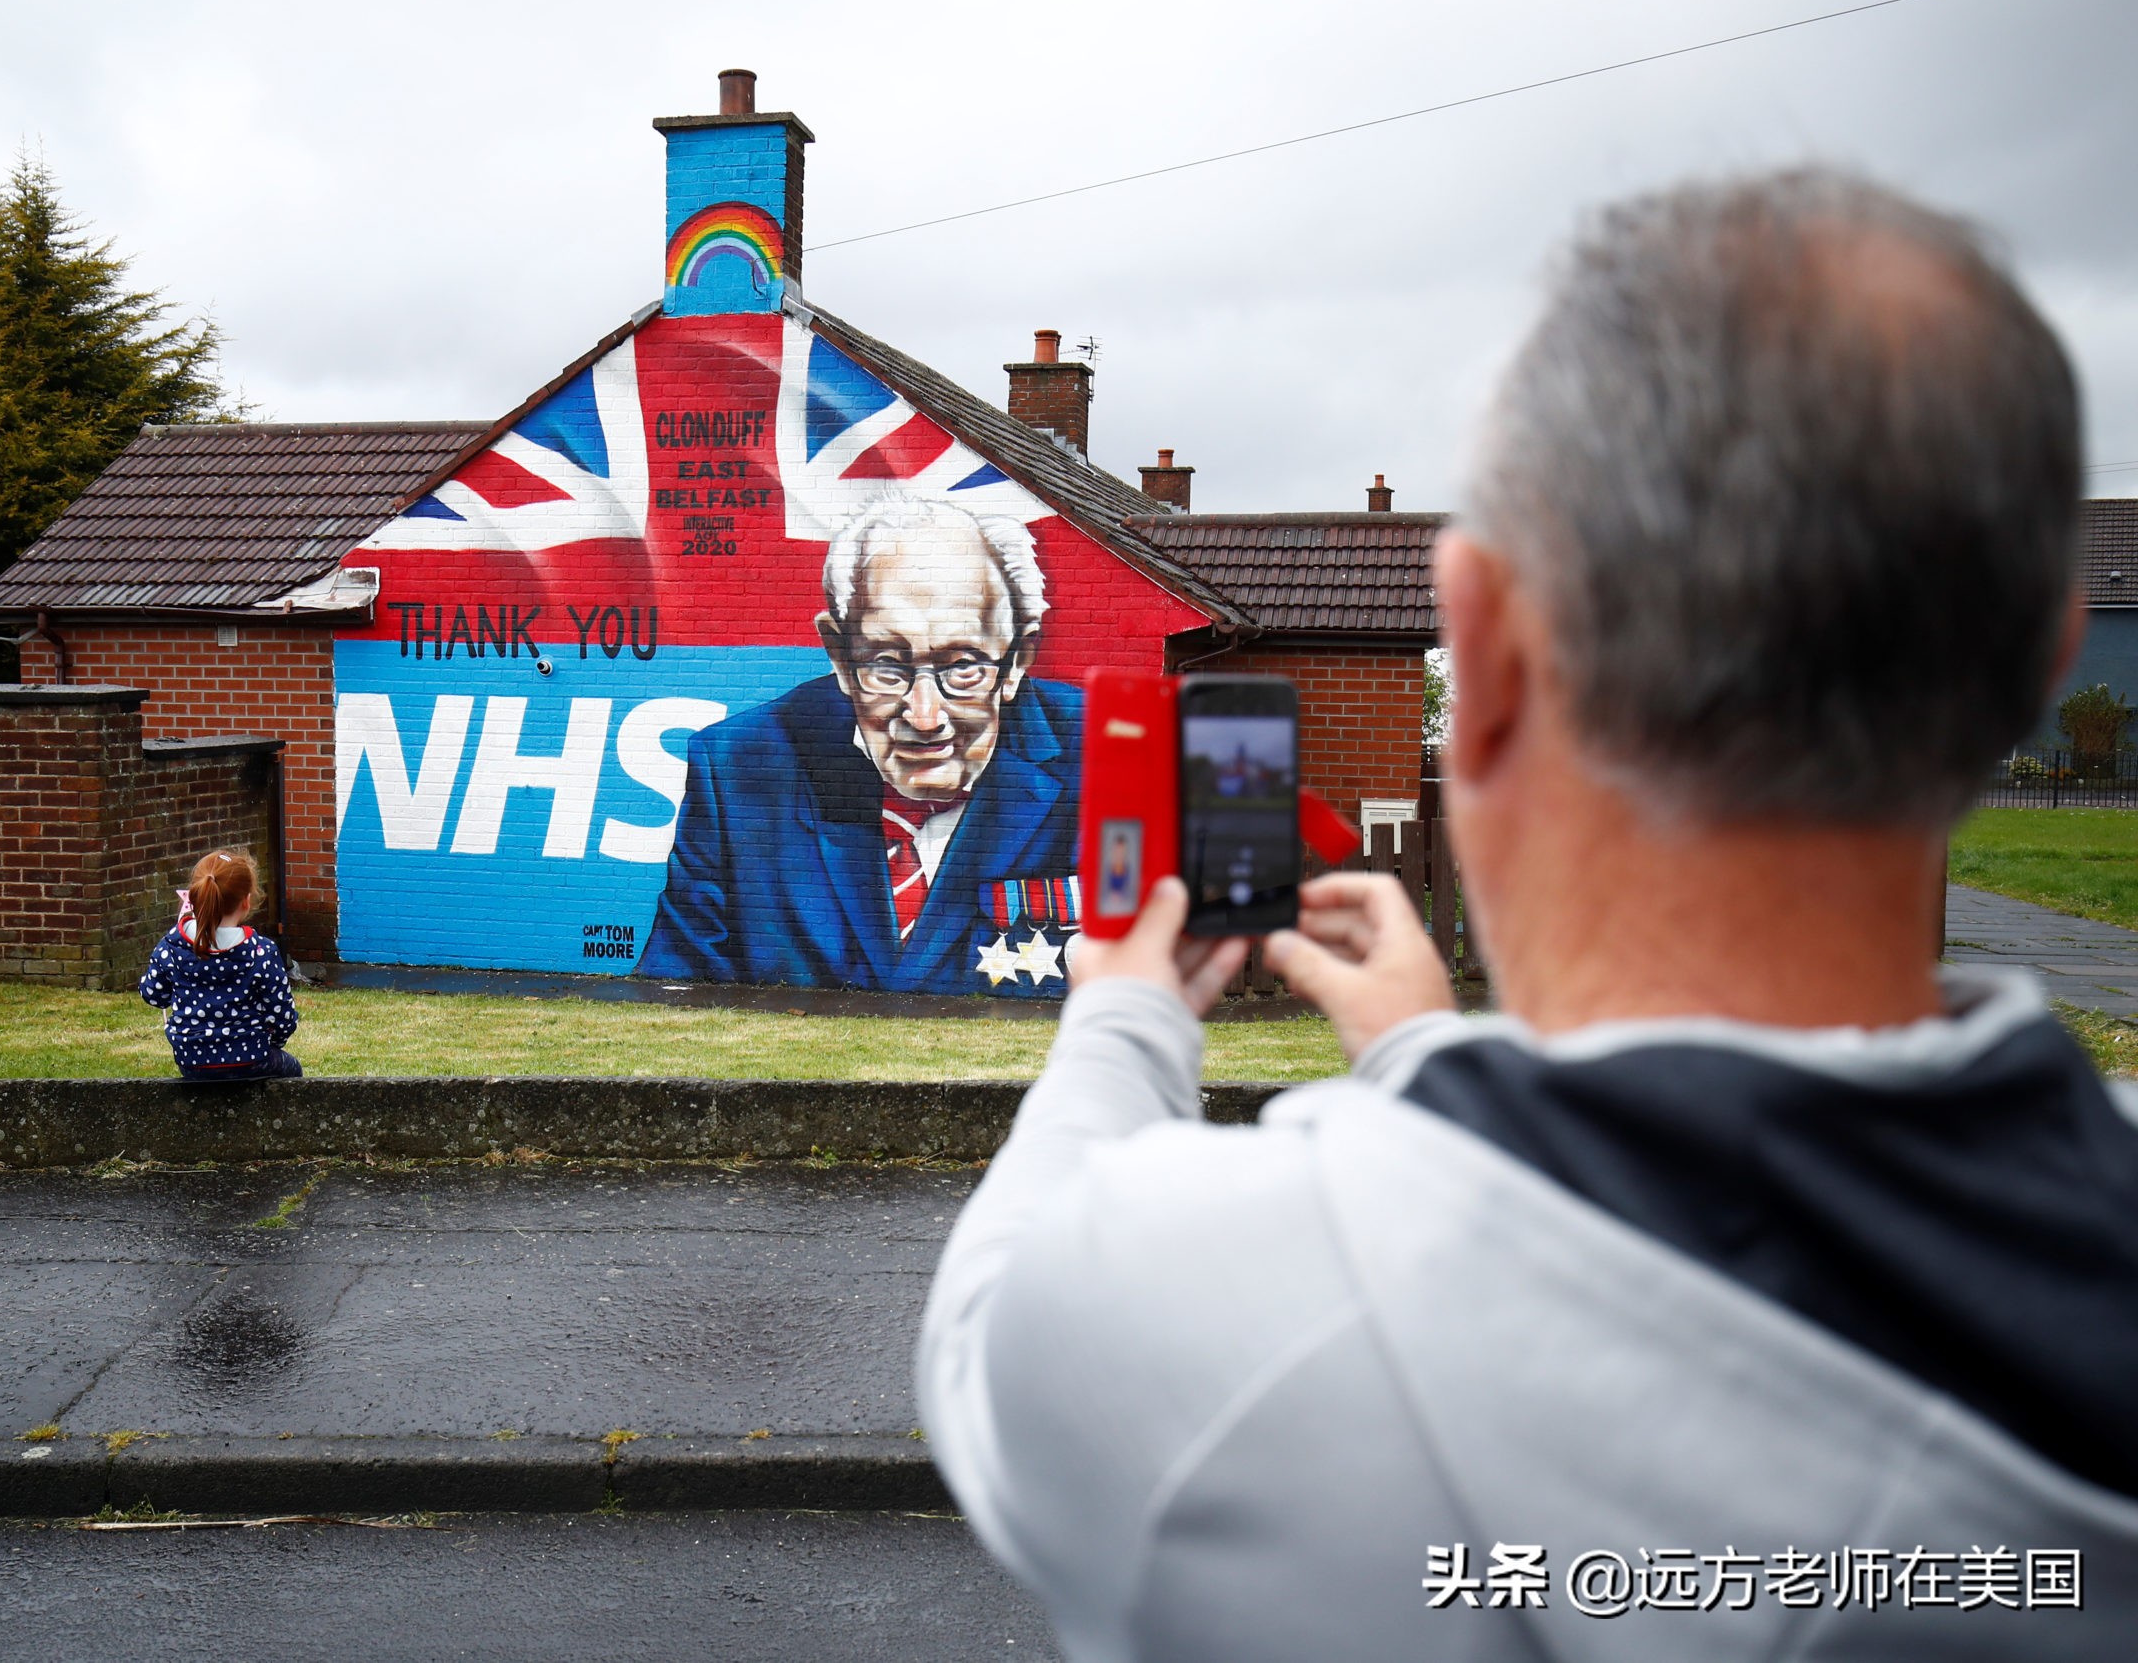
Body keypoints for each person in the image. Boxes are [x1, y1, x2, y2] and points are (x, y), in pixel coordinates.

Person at [916, 168, 2138, 1657]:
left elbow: (985, 1324)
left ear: (1479, 653)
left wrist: (1124, 1011)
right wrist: (1431, 1056)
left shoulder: (1214, 1307)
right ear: (2036, 664)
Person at [637, 497, 1085, 995]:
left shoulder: (1109, 757)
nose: (925, 717)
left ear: (1017, 659)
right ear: (840, 656)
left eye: (963, 667)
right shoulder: (740, 769)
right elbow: (675, 995)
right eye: (887, 666)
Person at [139, 850, 301, 1080]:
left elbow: (153, 995)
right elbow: (283, 1016)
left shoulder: (172, 945)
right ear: (246, 901)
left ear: (194, 897)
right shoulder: (261, 951)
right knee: (292, 1069)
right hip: (251, 1058)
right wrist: (271, 1043)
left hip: (192, 1061)